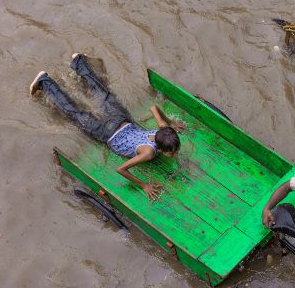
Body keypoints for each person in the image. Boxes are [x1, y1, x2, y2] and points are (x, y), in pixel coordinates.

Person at [30, 53, 185, 200]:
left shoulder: (162, 129)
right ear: (161, 149)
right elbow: (121, 169)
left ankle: (79, 61)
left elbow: (153, 108)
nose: (175, 154)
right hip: (106, 133)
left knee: (101, 93)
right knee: (75, 113)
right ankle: (44, 82)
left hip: (121, 120)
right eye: (172, 152)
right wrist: (144, 185)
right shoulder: (149, 152)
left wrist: (170, 123)